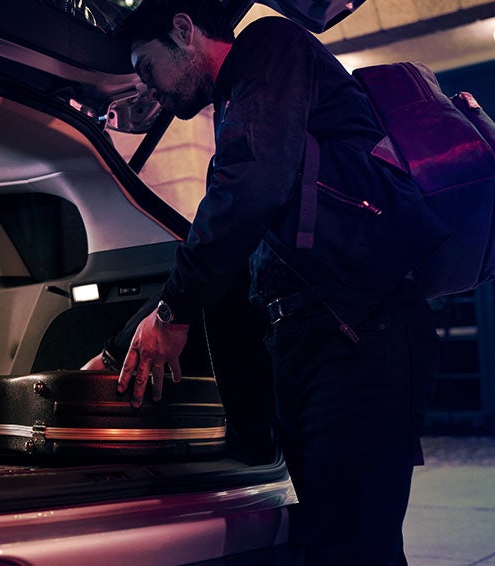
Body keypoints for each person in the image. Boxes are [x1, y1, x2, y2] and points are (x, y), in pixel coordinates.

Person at [83, 0, 449, 563]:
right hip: (315, 345)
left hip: (362, 334)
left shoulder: (270, 47)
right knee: (332, 541)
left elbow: (246, 190)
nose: (150, 88)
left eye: (148, 66)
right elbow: (224, 250)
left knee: (351, 547)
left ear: (183, 30)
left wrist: (172, 314)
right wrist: (114, 356)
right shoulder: (239, 105)